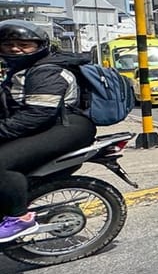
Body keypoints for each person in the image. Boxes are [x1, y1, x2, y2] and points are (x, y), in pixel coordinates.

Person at [0, 20, 96, 242]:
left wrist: (3, 130)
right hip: (48, 125)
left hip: (67, 127)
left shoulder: (45, 71)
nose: (15, 49)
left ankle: (19, 219)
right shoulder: (22, 70)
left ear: (39, 45)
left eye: (24, 44)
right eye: (8, 44)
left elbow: (38, 114)